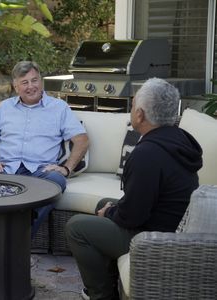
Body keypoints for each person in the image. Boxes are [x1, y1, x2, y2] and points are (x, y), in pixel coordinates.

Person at [65, 78, 203, 300]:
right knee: (104, 204)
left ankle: (101, 294)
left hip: (155, 239)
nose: (130, 110)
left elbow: (132, 217)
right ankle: (110, 280)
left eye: (132, 105)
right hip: (169, 223)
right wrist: (109, 209)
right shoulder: (178, 139)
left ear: (139, 115)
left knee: (76, 228)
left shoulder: (147, 154)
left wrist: (109, 213)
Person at [0, 61, 89, 238]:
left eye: (34, 80)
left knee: (56, 181)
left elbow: (81, 140)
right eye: (24, 82)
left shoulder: (58, 108)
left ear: (41, 81)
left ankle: (19, 238)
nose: (31, 86)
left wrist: (66, 168)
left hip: (41, 171)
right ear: (16, 87)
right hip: (7, 170)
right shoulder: (5, 107)